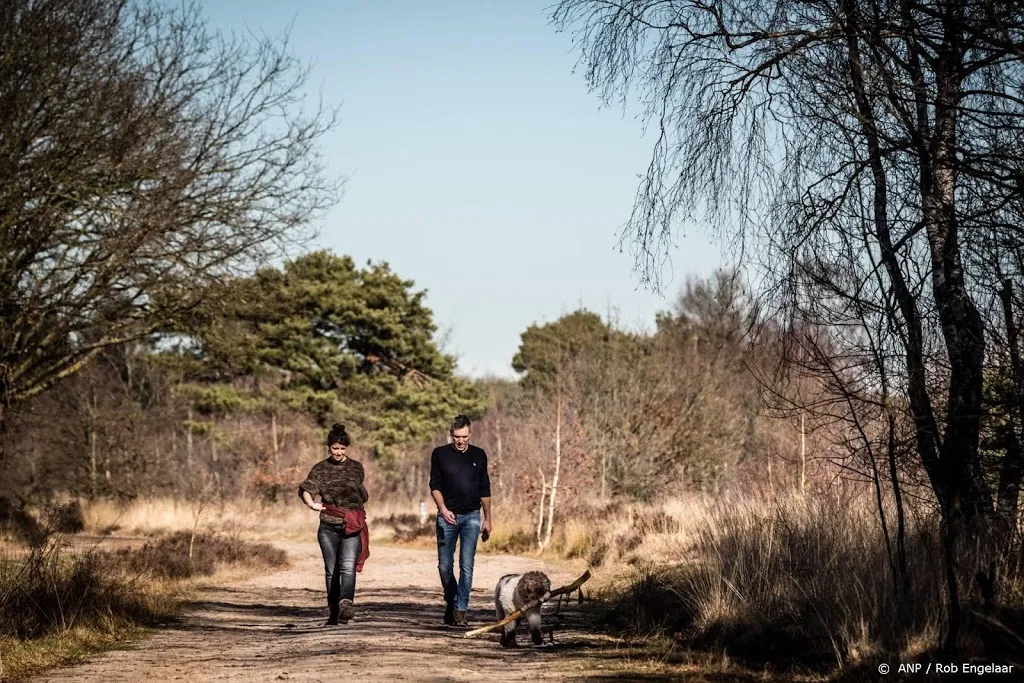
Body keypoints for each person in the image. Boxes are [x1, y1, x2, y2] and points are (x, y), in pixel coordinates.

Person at [298, 423, 370, 626]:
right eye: (335, 448)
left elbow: (360, 492)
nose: (338, 452)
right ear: (328, 447)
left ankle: (346, 604)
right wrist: (312, 504)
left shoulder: (356, 467)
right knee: (332, 570)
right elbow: (307, 488)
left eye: (342, 448)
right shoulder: (320, 468)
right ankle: (333, 612)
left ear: (347, 448)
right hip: (328, 526)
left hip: (351, 525)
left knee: (347, 568)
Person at [429, 414, 492, 627]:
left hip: (472, 517)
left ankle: (461, 609)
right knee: (444, 566)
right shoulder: (439, 455)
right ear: (451, 435)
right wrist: (443, 509)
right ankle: (452, 600)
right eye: (457, 436)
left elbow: (485, 488)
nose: (461, 441)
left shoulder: (479, 455)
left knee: (467, 565)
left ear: (470, 434)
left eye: (464, 436)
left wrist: (488, 519)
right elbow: (435, 486)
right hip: (447, 517)